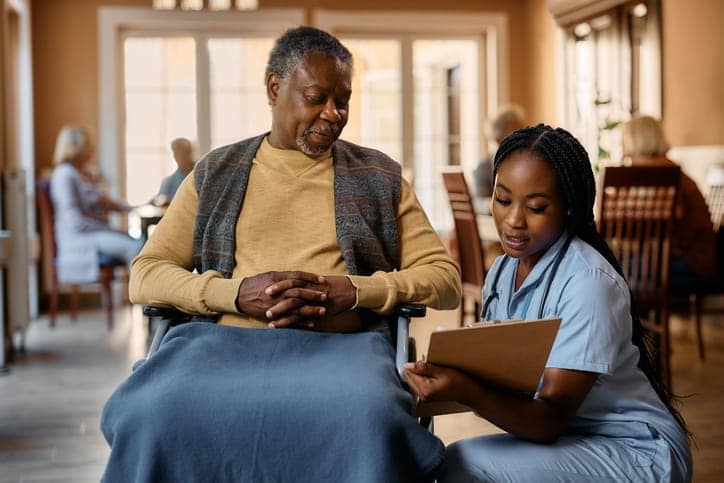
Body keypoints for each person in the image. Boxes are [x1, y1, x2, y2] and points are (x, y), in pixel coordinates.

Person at [101, 26, 461, 482]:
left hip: (342, 349)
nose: (333, 114)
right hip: (220, 347)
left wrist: (353, 291)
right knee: (150, 411)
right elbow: (146, 275)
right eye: (317, 98)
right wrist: (233, 295)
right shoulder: (216, 172)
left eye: (343, 100)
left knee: (370, 414)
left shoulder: (379, 176)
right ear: (275, 88)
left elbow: (445, 279)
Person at [404, 124, 692, 482]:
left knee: (466, 463)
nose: (513, 221)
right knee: (435, 456)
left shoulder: (588, 282)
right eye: (503, 199)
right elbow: (505, 382)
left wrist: (464, 388)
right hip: (572, 438)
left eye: (536, 207)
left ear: (569, 208)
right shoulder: (502, 272)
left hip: (634, 451)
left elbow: (548, 420)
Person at [622, 114, 717, 281]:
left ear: (634, 142)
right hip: (696, 257)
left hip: (690, 262)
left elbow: (668, 218)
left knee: (618, 270)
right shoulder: (668, 169)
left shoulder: (658, 173)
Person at [49, 125, 143, 284]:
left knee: (137, 241)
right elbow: (75, 222)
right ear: (76, 148)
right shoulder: (65, 175)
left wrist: (136, 207)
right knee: (135, 248)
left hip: (90, 233)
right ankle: (146, 300)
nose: (92, 149)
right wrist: (107, 229)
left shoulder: (80, 174)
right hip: (79, 238)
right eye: (87, 145)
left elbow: (104, 202)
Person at [472, 104, 525, 212]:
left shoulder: (529, 166)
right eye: (514, 133)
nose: (522, 138)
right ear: (497, 139)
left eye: (523, 132)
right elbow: (478, 204)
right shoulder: (483, 168)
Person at [154, 137, 195, 205]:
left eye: (182, 152)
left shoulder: (202, 173)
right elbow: (160, 199)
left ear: (190, 152)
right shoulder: (169, 181)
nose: (179, 156)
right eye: (176, 153)